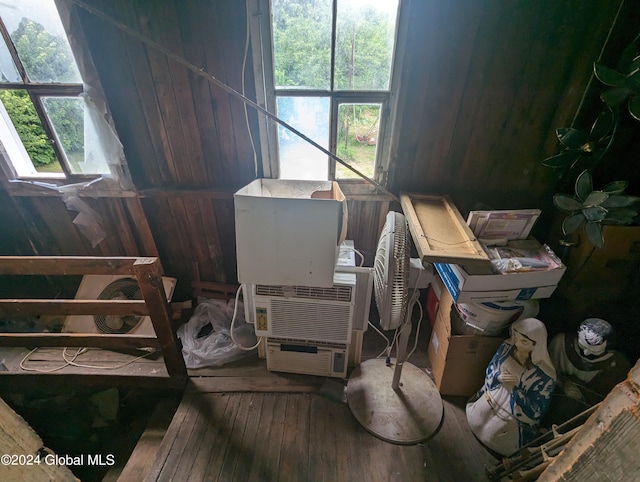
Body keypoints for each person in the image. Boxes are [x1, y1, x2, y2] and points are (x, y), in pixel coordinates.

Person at [466, 317, 556, 456]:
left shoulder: (545, 376)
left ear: (536, 345)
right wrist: (498, 377)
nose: (516, 343)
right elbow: (492, 367)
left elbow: (536, 410)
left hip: (510, 420)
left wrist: (515, 390)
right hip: (489, 401)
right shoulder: (506, 348)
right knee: (477, 421)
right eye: (515, 337)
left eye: (524, 342)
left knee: (495, 438)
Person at [544, 318, 631, 426]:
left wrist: (581, 392)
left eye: (594, 351)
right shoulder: (560, 342)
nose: (586, 352)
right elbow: (544, 371)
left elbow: (606, 400)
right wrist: (563, 383)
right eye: (583, 346)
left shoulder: (616, 365)